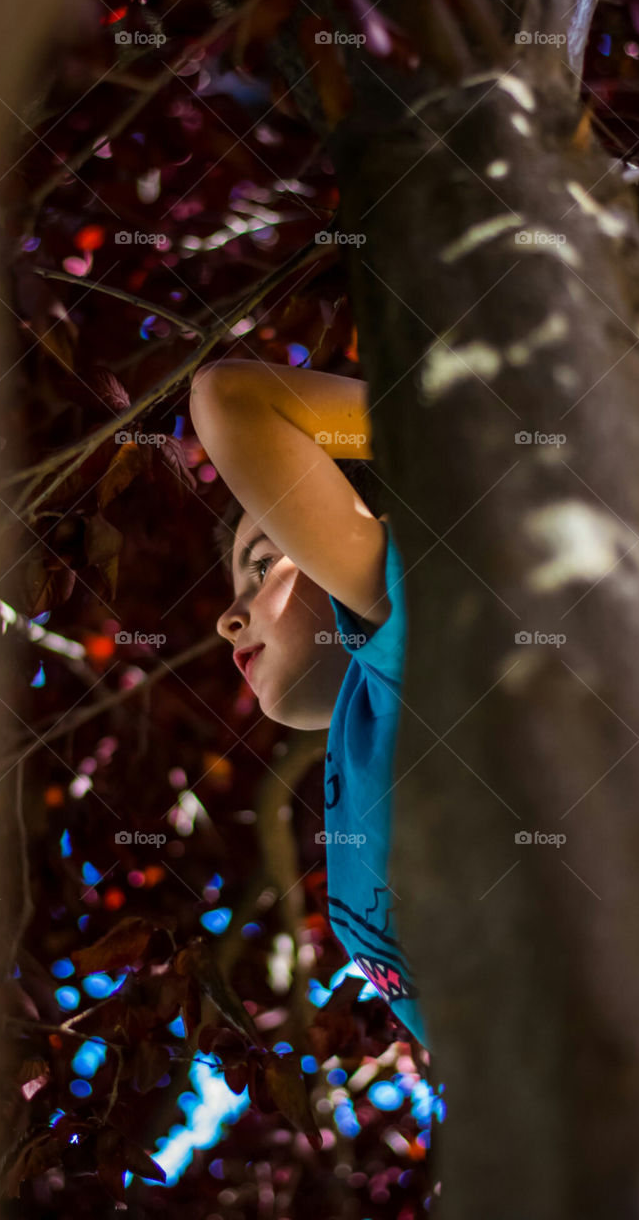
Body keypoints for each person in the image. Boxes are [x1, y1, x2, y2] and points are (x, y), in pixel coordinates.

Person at [189, 358, 428, 1050]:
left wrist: (475, 438)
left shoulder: (415, 645)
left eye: (263, 564)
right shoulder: (362, 735)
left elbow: (231, 398)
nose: (226, 619)